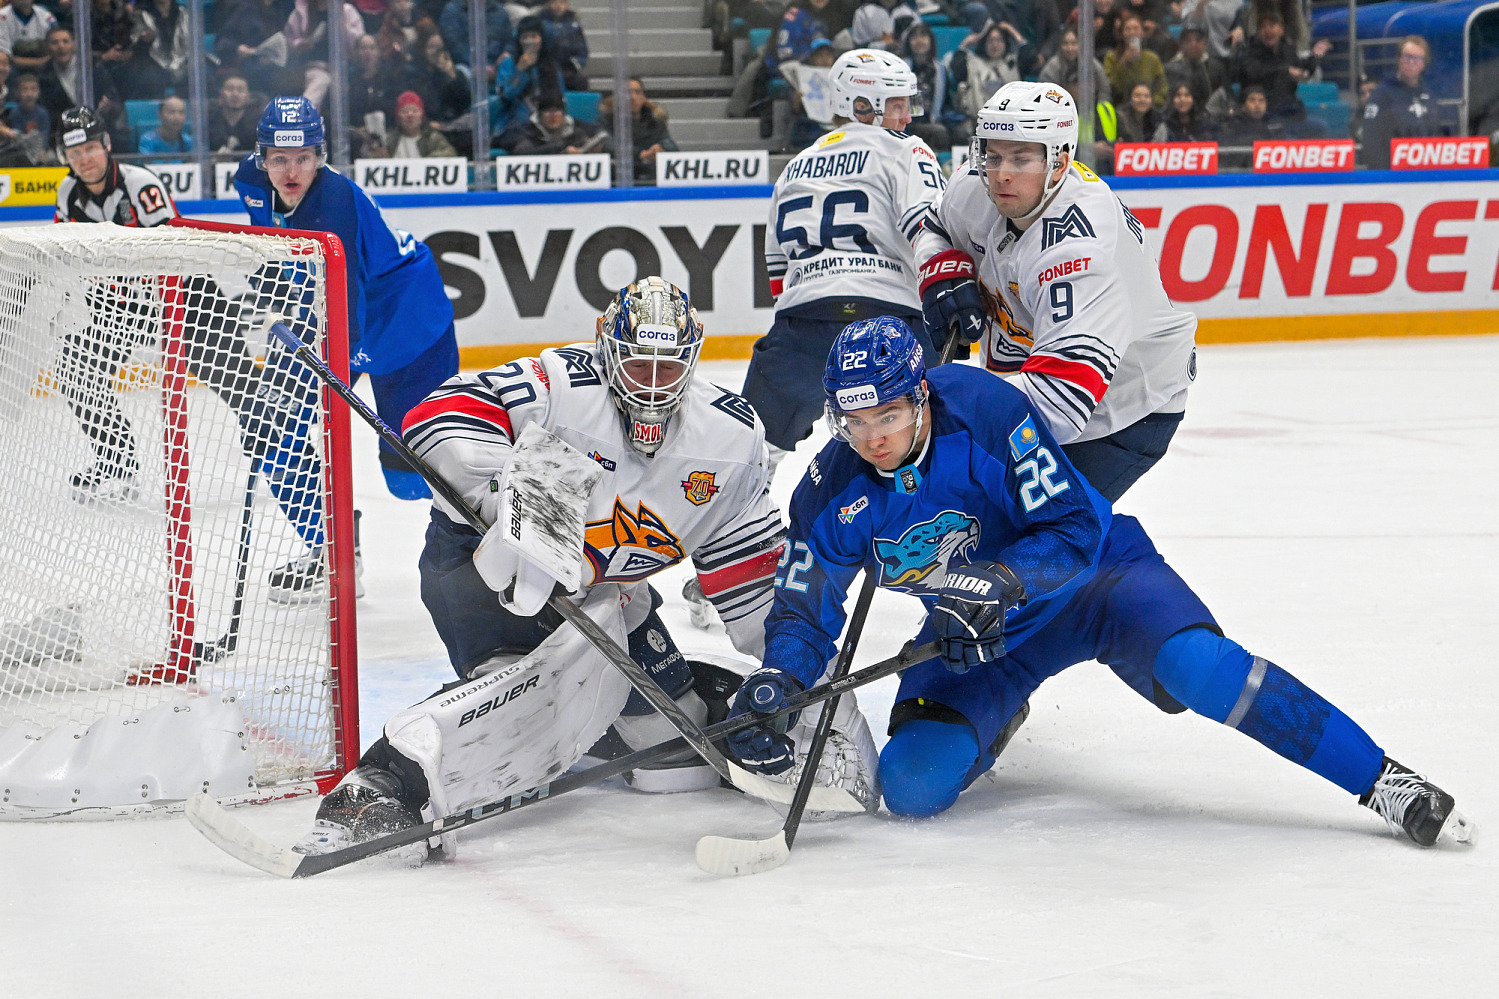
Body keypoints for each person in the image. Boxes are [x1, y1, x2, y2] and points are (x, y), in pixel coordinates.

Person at [726, 315, 1473, 850]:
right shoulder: (829, 489)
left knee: (1205, 669)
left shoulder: (987, 410)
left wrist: (1000, 579)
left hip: (1098, 585)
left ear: (919, 395)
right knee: (911, 786)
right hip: (982, 636)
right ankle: (998, 715)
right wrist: (776, 676)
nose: (872, 437)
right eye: (852, 421)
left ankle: (1383, 780)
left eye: (886, 414)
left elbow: (1075, 531)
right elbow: (803, 608)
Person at [292, 278, 868, 859]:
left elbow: (761, 597)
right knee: (529, 706)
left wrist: (800, 691)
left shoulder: (729, 439)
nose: (649, 385)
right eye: (636, 364)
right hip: (477, 576)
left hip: (609, 596)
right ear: (605, 349)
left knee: (671, 749)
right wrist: (518, 508)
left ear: (691, 362)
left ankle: (694, 704)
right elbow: (439, 413)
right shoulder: (561, 385)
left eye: (666, 369)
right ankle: (384, 784)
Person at [913, 82, 1197, 502]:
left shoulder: (1078, 251)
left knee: (1033, 539)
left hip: (1124, 406)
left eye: (1021, 157)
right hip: (1035, 367)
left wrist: (940, 406)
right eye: (993, 155)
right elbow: (933, 228)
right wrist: (940, 272)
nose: (1001, 173)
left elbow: (1058, 404)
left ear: (1060, 161)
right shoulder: (975, 186)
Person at [233, 97, 460, 597]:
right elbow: (274, 251)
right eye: (278, 159)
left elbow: (349, 312)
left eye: (303, 159)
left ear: (320, 155)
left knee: (419, 473)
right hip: (332, 314)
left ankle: (490, 537)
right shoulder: (249, 183)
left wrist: (329, 378)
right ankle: (331, 553)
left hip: (408, 323)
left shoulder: (335, 206)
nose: (291, 171)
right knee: (275, 425)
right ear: (261, 157)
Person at [50, 105, 287, 511]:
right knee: (76, 366)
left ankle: (283, 458)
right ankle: (116, 462)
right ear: (64, 158)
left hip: (188, 299)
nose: (84, 159)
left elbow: (171, 251)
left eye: (90, 148)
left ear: (106, 144)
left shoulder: (141, 184)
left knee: (239, 385)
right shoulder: (66, 192)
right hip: (123, 307)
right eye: (74, 154)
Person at [743, 47, 943, 474]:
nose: (907, 117)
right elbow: (927, 232)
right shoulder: (905, 149)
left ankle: (733, 537)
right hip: (889, 321)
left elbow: (778, 271)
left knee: (750, 451)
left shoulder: (794, 166)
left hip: (801, 326)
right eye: (897, 105)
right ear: (860, 106)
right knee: (925, 444)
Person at [1359, 36, 1441, 171]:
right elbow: (1371, 139)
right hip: (1393, 174)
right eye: (1407, 57)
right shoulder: (1382, 95)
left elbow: (1436, 136)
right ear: (1399, 59)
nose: (1412, 62)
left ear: (1424, 64)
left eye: (1418, 58)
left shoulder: (1429, 96)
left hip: (1426, 173)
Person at [599, 76, 678, 184]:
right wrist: (641, 155)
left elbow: (672, 147)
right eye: (627, 93)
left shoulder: (654, 122)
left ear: (644, 98)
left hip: (650, 178)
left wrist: (660, 151)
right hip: (616, 179)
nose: (632, 97)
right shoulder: (606, 121)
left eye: (637, 92)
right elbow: (609, 147)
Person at [503, 92, 607, 156]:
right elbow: (524, 153)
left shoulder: (580, 128)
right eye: (548, 112)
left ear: (564, 114)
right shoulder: (525, 131)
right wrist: (562, 150)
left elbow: (603, 137)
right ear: (539, 116)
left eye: (557, 112)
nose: (553, 116)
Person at [1105, 13, 1167, 107]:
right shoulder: (1111, 57)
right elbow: (1112, 87)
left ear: (1142, 32)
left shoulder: (1152, 58)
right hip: (1120, 106)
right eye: (1128, 29)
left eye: (1136, 28)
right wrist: (1124, 62)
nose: (1132, 32)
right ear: (1122, 33)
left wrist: (1149, 102)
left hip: (1149, 109)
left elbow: (1162, 88)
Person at [383, 89, 458, 157]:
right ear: (398, 117)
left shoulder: (432, 138)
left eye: (415, 111)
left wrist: (429, 160)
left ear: (422, 116)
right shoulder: (388, 140)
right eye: (404, 111)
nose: (410, 115)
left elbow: (450, 153)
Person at [207, 74, 263, 155]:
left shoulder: (258, 125)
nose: (235, 94)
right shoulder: (208, 123)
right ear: (221, 96)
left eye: (240, 90)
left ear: (248, 97)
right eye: (230, 89)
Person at [0, 0, 59, 73]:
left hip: (44, 68)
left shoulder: (46, 17)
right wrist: (40, 62)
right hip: (14, 69)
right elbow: (5, 57)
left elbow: (55, 47)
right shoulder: (2, 17)